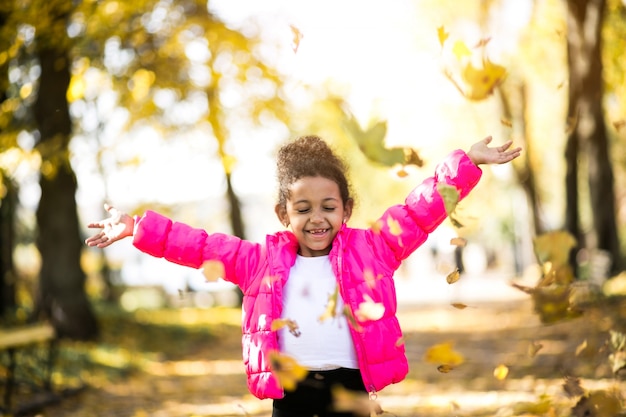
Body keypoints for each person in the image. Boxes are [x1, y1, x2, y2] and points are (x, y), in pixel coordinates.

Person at [85, 135, 521, 417]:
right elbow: (199, 245)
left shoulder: (373, 249)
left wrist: (464, 165)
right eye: (303, 209)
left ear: (346, 210)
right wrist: (138, 229)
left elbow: (418, 211)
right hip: (290, 398)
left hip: (350, 391)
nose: (318, 219)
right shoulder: (257, 261)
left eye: (329, 207)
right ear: (283, 215)